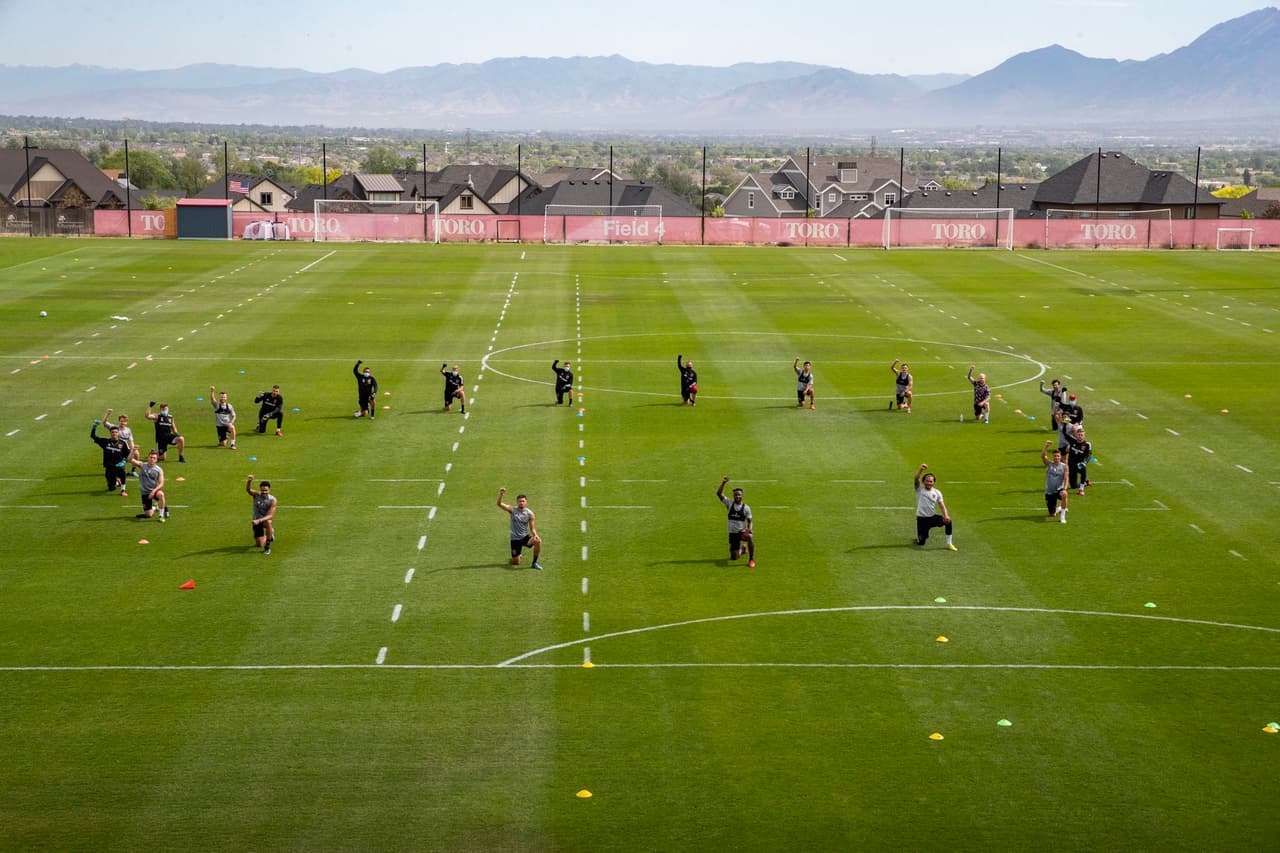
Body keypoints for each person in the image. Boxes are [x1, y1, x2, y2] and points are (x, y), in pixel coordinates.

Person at [913, 463, 956, 550]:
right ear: (924, 481)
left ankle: (949, 544)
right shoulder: (919, 489)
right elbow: (916, 478)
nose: (929, 483)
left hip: (932, 517)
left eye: (931, 481)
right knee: (921, 542)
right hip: (922, 519)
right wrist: (921, 469)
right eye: (927, 481)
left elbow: (942, 505)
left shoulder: (937, 492)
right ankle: (920, 537)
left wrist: (946, 515)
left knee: (948, 521)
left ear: (934, 482)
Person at [497, 487, 542, 569]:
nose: (521, 503)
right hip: (515, 539)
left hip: (525, 538)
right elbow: (499, 504)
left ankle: (534, 563)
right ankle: (518, 555)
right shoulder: (512, 510)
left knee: (538, 541)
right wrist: (501, 494)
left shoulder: (530, 513)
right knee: (516, 563)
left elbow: (532, 528)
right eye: (520, 501)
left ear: (526, 502)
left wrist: (535, 535)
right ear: (517, 502)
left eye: (523, 501)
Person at [716, 476, 755, 567]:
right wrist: (723, 483)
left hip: (742, 532)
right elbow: (719, 494)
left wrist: (749, 529)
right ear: (733, 496)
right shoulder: (729, 504)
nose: (737, 496)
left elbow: (750, 521)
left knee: (750, 537)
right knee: (734, 557)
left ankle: (751, 559)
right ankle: (743, 550)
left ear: (742, 496)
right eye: (736, 495)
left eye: (739, 495)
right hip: (733, 533)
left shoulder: (746, 508)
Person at [89, 419, 131, 494]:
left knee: (122, 473)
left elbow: (128, 454)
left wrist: (124, 461)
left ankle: (123, 490)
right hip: (109, 466)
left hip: (119, 465)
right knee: (111, 488)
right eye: (112, 432)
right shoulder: (105, 442)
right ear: (110, 433)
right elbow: (93, 436)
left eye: (116, 432)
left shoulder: (123, 443)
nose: (114, 434)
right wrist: (94, 427)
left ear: (118, 433)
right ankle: (117, 482)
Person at [103, 408, 141, 476]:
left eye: (124, 421)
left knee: (136, 453)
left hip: (125, 448)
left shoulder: (128, 430)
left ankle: (133, 470)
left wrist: (134, 449)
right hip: (116, 448)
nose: (122, 423)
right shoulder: (114, 428)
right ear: (119, 421)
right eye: (121, 421)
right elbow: (104, 423)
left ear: (126, 422)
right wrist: (108, 414)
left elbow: (131, 441)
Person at [245, 474, 277, 554]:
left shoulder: (273, 500)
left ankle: (267, 547)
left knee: (268, 522)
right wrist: (249, 481)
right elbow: (248, 490)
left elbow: (271, 515)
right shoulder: (256, 495)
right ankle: (270, 534)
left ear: (269, 490)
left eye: (266, 490)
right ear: (260, 490)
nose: (264, 492)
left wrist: (259, 520)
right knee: (259, 544)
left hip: (264, 520)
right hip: (256, 520)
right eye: (262, 490)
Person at [135, 450, 168, 521]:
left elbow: (161, 483)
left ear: (156, 460)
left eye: (154, 458)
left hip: (154, 490)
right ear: (148, 458)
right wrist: (133, 451)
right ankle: (155, 507)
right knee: (149, 515)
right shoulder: (142, 465)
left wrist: (153, 491)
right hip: (145, 492)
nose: (152, 459)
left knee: (161, 494)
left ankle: (161, 516)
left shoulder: (159, 470)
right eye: (151, 457)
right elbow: (130, 459)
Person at [1042, 440, 1069, 523]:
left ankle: (1062, 517)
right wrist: (1046, 446)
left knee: (1064, 494)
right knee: (1052, 514)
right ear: (1053, 457)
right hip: (1050, 491)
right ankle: (1060, 508)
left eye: (1058, 456)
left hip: (1059, 489)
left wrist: (1064, 489)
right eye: (1055, 456)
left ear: (1060, 457)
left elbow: (1066, 478)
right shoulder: (1049, 464)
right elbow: (1043, 456)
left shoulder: (1064, 466)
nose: (1056, 457)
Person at [1066, 423, 1093, 495]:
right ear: (1076, 435)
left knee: (1083, 472)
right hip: (1071, 465)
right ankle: (1086, 483)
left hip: (1080, 464)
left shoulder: (1087, 444)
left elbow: (1089, 455)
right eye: (1079, 435)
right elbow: (1064, 434)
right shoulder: (1072, 441)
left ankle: (1081, 489)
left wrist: (1084, 462)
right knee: (1073, 486)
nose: (1080, 436)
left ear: (1084, 436)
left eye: (1082, 435)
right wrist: (1065, 424)